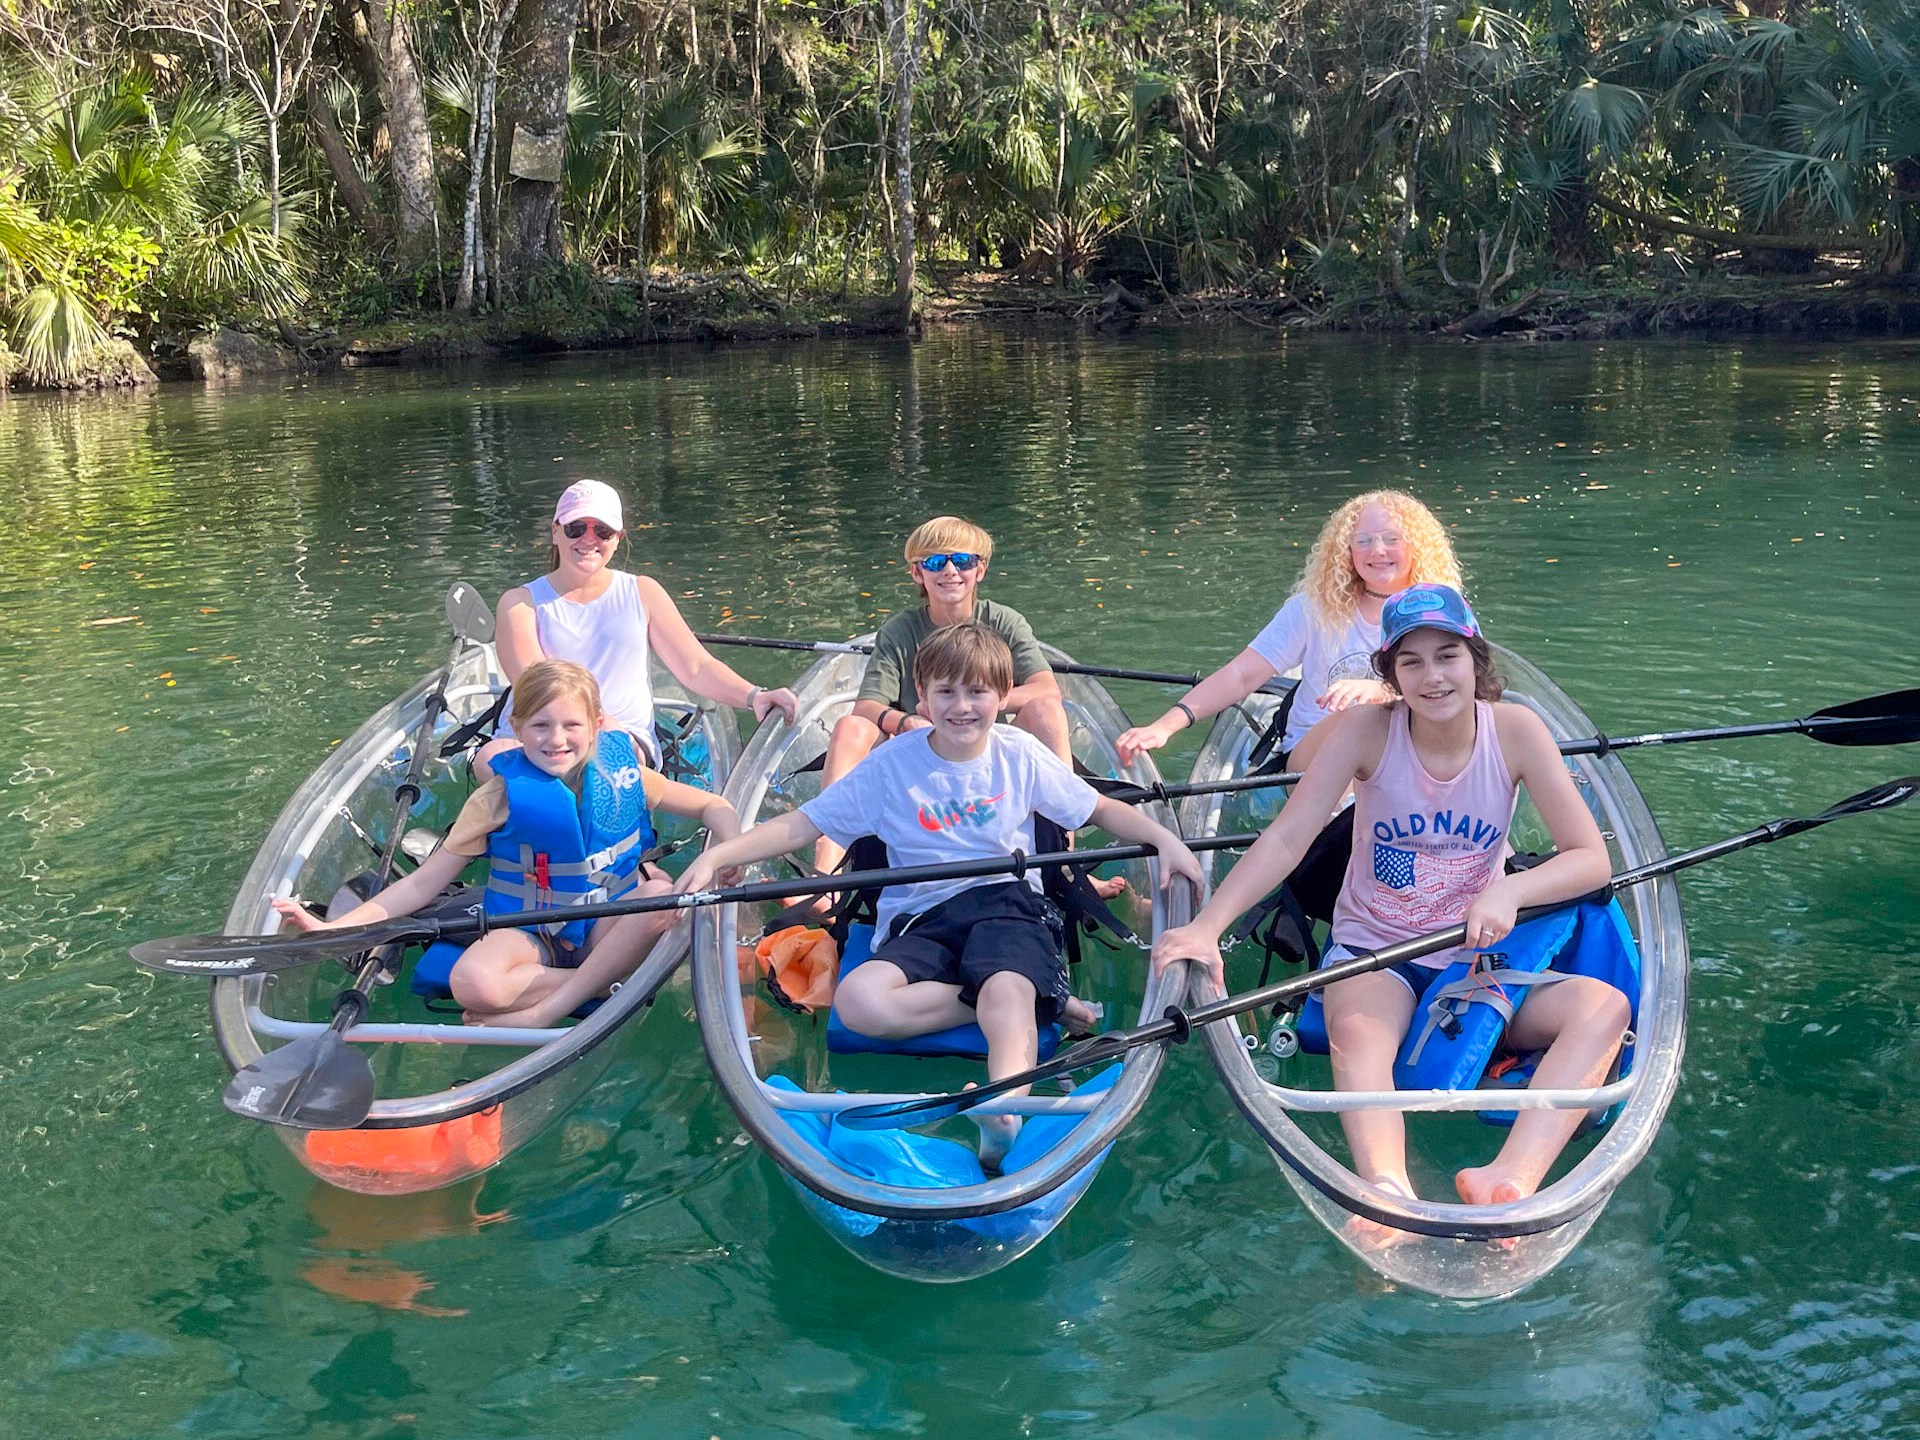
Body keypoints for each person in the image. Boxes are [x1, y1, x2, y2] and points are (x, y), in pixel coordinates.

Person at [1151, 585, 1628, 1228]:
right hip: (1377, 951)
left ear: (1477, 662)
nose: (1432, 676)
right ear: (1392, 676)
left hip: (1477, 961)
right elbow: (1289, 837)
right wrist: (1208, 927)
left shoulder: (1516, 731)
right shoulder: (1364, 731)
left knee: (1605, 1008)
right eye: (1411, 662)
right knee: (1358, 1032)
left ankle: (1511, 1179)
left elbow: (1588, 858)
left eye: (1448, 655)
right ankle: (1384, 1191)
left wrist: (1510, 889)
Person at [676, 623, 1204, 1169]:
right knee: (859, 1002)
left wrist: (1164, 838)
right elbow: (804, 824)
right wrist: (722, 854)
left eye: (977, 692)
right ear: (921, 697)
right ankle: (1036, 997)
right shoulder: (892, 762)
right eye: (946, 692)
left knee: (1007, 987)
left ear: (1002, 697)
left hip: (1007, 905)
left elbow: (1096, 808)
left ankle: (1005, 1110)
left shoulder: (1019, 753)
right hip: (920, 917)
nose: (962, 707)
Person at [276, 660, 741, 1029]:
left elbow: (713, 807)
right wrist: (333, 930)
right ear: (516, 730)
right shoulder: (498, 796)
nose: (556, 739)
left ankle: (545, 1009)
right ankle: (601, 984)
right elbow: (421, 887)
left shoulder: (626, 775)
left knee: (661, 896)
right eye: (540, 726)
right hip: (530, 935)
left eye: (571, 726)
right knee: (470, 981)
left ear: (597, 726)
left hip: (607, 924)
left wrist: (728, 847)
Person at [813, 515, 1104, 887]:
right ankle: (824, 875)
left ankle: (1063, 861)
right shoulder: (900, 630)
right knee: (850, 727)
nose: (950, 570)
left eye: (963, 560)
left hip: (989, 748)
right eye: (935, 562)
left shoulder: (1005, 622)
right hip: (920, 751)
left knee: (1047, 711)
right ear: (918, 574)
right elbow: (866, 708)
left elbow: (1046, 690)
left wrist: (980, 704)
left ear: (979, 569)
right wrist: (909, 722)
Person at [1118, 490, 1463, 774]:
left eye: (1392, 539)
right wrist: (1165, 725)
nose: (1377, 550)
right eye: (1363, 540)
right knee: (1355, 722)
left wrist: (1380, 692)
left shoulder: (1440, 610)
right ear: (1346, 550)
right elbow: (1241, 675)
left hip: (1411, 749)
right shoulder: (1313, 607)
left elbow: (1463, 691)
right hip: (1316, 753)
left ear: (1415, 547)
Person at [486, 479, 797, 767]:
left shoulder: (643, 592)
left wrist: (755, 696)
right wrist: (586, 728)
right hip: (537, 735)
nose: (589, 539)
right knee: (491, 757)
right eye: (576, 528)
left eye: (603, 531)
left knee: (598, 761)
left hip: (623, 736)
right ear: (555, 531)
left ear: (618, 539)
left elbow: (696, 666)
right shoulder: (518, 603)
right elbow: (541, 690)